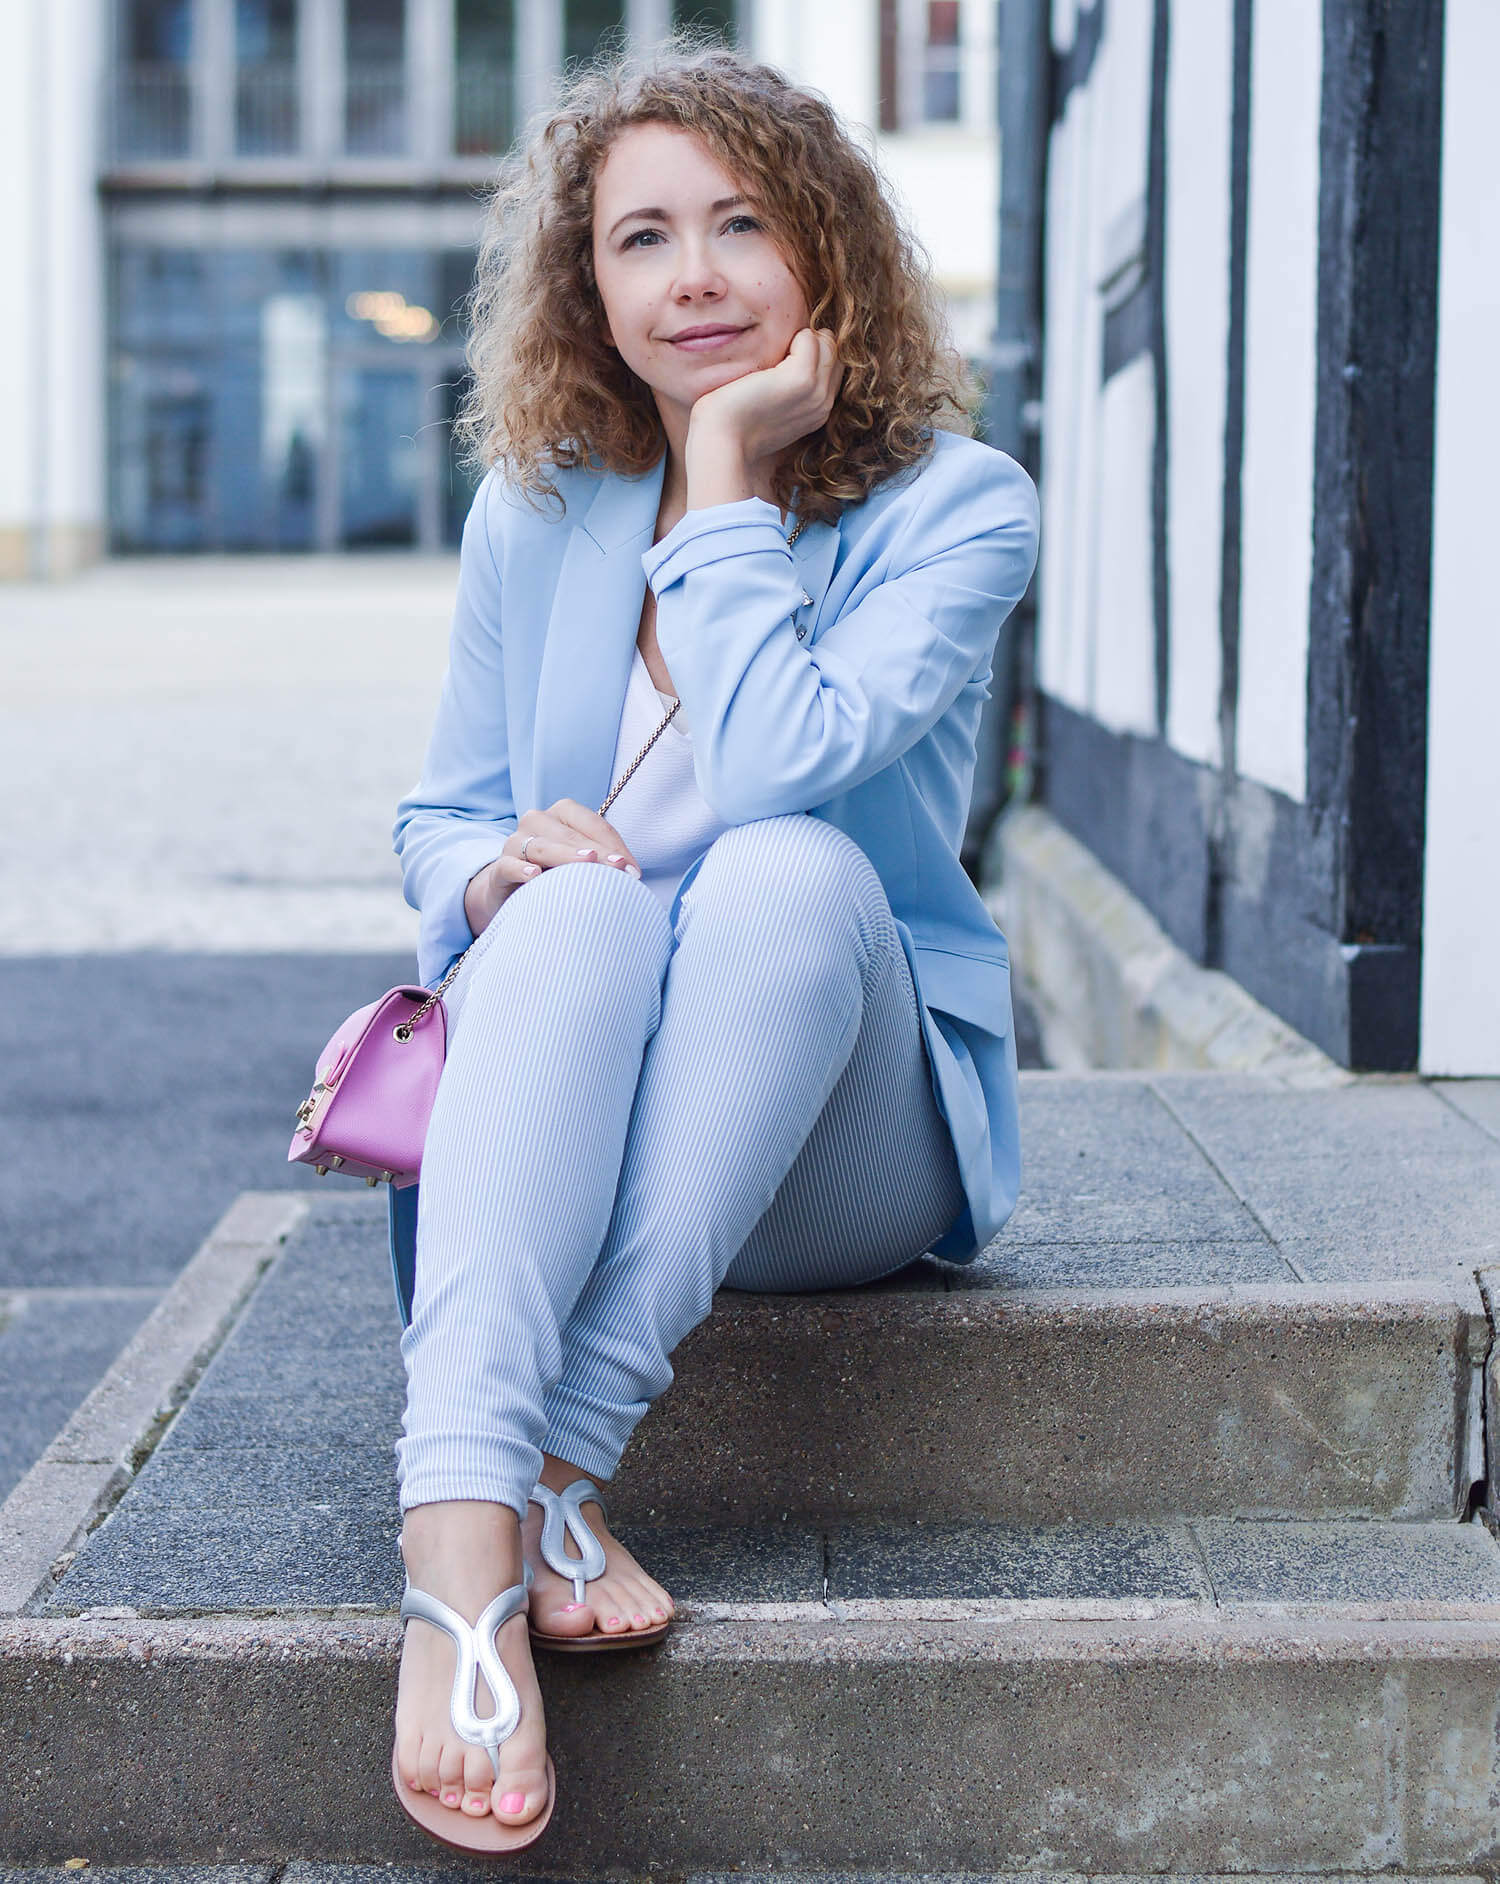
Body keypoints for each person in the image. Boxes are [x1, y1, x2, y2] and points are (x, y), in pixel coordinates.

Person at [386, 34, 1040, 1855]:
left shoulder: (955, 510)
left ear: (824, 253)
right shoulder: (539, 504)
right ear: (582, 286)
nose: (690, 277)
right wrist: (494, 874)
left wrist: (730, 476)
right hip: (579, 1109)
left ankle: (556, 1448)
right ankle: (473, 1554)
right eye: (640, 238)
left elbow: (778, 771)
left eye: (739, 224)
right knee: (576, 898)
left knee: (781, 874)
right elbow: (433, 817)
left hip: (846, 1139)